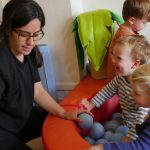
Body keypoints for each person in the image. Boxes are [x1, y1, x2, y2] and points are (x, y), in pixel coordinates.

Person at [0, 0, 82, 149]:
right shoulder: (3, 62)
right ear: (7, 29)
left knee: (58, 121)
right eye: (24, 35)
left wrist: (64, 114)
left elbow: (37, 91)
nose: (31, 42)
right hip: (3, 130)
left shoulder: (29, 53)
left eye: (36, 34)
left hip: (20, 119)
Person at [80, 35, 150, 141]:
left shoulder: (142, 87)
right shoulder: (120, 78)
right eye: (114, 55)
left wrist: (129, 139)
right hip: (124, 120)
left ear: (135, 64)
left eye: (119, 58)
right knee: (107, 130)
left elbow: (142, 118)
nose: (113, 60)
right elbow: (107, 91)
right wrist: (91, 104)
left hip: (137, 130)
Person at [86, 63, 150, 150]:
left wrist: (104, 147)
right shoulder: (120, 79)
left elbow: (140, 146)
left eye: (136, 93)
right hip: (124, 123)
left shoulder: (144, 111)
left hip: (131, 128)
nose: (132, 94)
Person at [107, 0, 150, 81]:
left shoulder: (126, 30)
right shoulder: (125, 36)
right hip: (119, 77)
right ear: (132, 20)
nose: (145, 25)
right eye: (144, 22)